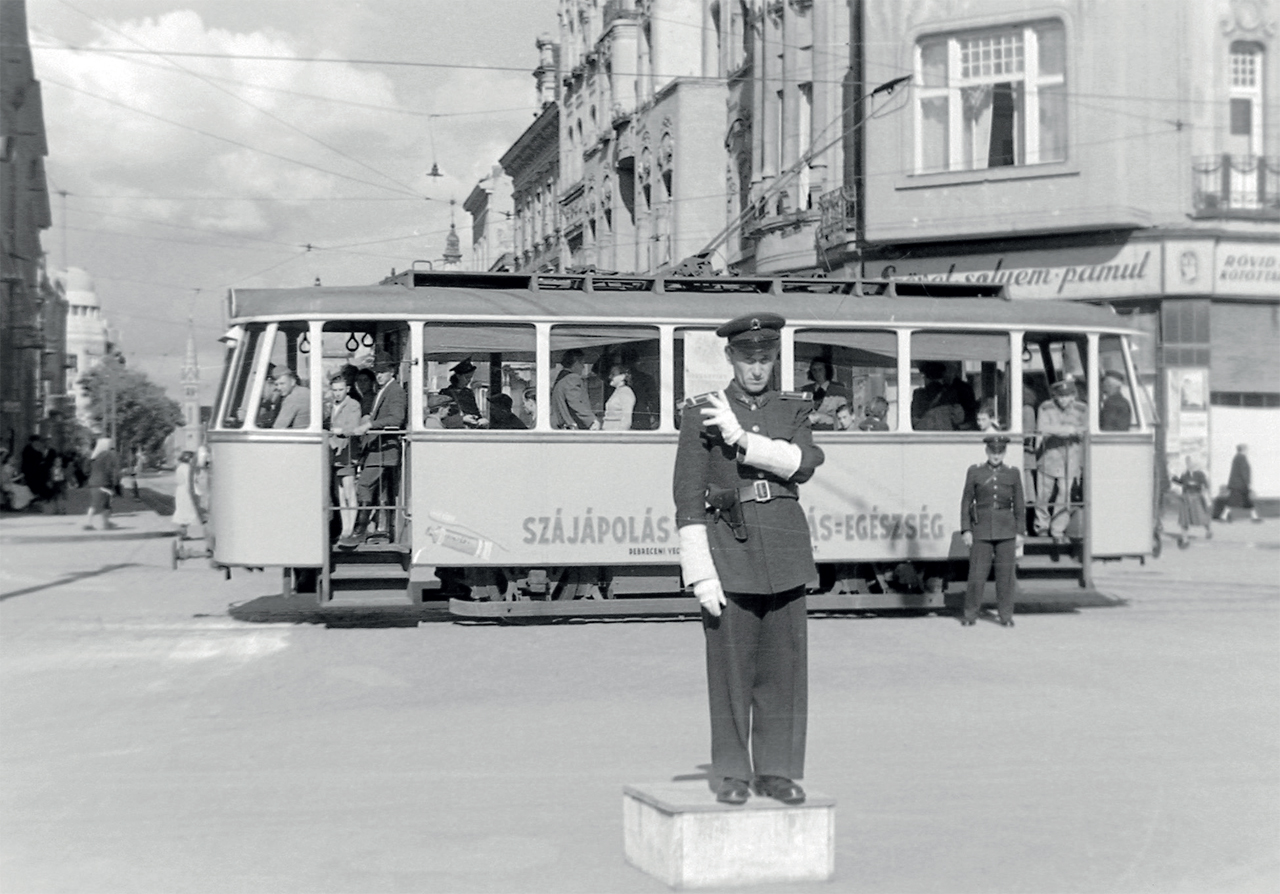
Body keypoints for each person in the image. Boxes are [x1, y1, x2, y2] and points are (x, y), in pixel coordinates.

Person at [673, 311, 824, 807]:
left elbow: (802, 466)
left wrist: (741, 440)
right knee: (731, 672)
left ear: (775, 358)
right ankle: (733, 772)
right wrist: (699, 574)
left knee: (784, 672)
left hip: (784, 549)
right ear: (730, 358)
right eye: (747, 358)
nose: (756, 369)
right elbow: (688, 498)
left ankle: (777, 771)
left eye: (765, 359)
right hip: (728, 549)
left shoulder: (793, 409)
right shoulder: (702, 411)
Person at [960, 435, 1025, 626]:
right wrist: (966, 529)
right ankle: (970, 614)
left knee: (1005, 577)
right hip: (981, 529)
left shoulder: (1013, 473)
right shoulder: (975, 472)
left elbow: (1019, 504)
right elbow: (966, 501)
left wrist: (1020, 531)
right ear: (986, 451)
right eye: (993, 451)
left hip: (1006, 530)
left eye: (1000, 452)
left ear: (1004, 453)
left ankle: (1006, 616)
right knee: (977, 576)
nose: (996, 456)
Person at [354, 354, 407, 542]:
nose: (379, 375)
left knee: (364, 484)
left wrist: (370, 424)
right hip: (377, 449)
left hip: (384, 451)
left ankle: (359, 530)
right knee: (371, 488)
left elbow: (396, 418)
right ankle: (369, 528)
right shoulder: (384, 390)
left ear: (391, 371)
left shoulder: (395, 391)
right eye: (377, 372)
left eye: (382, 372)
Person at [1035, 379, 1086, 542]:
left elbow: (1085, 429)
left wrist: (1071, 431)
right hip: (1049, 457)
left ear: (1073, 396)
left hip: (1070, 459)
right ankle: (1041, 526)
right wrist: (1067, 431)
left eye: (1067, 396)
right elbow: (1043, 428)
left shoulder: (1082, 409)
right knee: (1043, 494)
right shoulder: (1045, 407)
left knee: (1065, 494)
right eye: (1060, 396)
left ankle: (1057, 529)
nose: (1063, 400)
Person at [327, 375, 366, 548]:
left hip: (347, 453)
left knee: (349, 492)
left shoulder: (353, 405)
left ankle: (349, 528)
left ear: (347, 389)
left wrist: (340, 430)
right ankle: (345, 528)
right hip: (334, 453)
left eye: (340, 390)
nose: (337, 393)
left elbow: (355, 428)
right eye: (334, 390)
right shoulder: (330, 406)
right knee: (340, 494)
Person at [550, 349, 600, 430]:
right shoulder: (572, 378)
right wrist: (592, 420)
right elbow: (575, 402)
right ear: (576, 363)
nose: (583, 367)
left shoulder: (560, 379)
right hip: (572, 427)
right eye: (582, 363)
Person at [911, 361, 965, 431]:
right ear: (942, 376)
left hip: (923, 436)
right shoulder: (950, 393)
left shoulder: (918, 394)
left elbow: (914, 418)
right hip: (945, 436)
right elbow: (959, 418)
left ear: (926, 377)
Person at [1171, 457, 1212, 546]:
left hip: (1196, 497)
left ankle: (1208, 530)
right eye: (1187, 463)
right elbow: (1181, 482)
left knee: (1201, 517)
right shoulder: (1185, 474)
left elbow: (1206, 485)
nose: (1188, 464)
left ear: (1194, 464)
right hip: (1186, 498)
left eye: (1190, 462)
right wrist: (1174, 478)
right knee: (1184, 519)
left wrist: (1205, 494)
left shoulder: (1200, 474)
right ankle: (1185, 539)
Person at [84, 437, 120, 530]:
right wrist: (115, 481)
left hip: (93, 483)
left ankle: (89, 523)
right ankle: (106, 523)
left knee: (94, 504)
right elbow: (111, 469)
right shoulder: (108, 455)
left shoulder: (94, 456)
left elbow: (86, 470)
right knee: (106, 504)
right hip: (104, 482)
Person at [1220, 443, 1261, 523]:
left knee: (1247, 501)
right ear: (1244, 449)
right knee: (1233, 501)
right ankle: (1223, 516)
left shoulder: (1237, 457)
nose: (1247, 451)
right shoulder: (1242, 458)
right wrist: (1248, 483)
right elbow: (1244, 472)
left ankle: (1254, 517)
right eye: (1247, 449)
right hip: (1240, 485)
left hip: (1237, 484)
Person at [806, 358, 850, 430]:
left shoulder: (838, 391)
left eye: (820, 369)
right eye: (814, 370)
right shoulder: (806, 390)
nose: (817, 373)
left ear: (827, 370)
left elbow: (845, 417)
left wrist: (823, 418)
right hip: (809, 434)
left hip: (830, 434)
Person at [443, 358, 485, 427]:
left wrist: (480, 419)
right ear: (458, 376)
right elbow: (442, 418)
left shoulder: (468, 393)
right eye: (467, 377)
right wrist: (462, 419)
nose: (469, 381)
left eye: (470, 378)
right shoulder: (446, 392)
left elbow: (475, 411)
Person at [171, 450, 203, 538]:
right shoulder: (186, 468)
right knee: (188, 510)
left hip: (181, 491)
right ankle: (182, 532)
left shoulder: (181, 467)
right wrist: (196, 492)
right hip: (187, 492)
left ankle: (182, 532)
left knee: (184, 511)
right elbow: (190, 481)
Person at [602, 365, 636, 431]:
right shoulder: (617, 391)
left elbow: (626, 419)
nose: (610, 377)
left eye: (613, 374)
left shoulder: (626, 392)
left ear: (622, 376)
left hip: (616, 432)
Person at [21, 435, 51, 504]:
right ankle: (36, 498)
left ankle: (41, 497)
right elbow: (29, 461)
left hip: (37, 471)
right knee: (35, 484)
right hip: (30, 471)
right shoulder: (27, 449)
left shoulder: (37, 449)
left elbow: (41, 459)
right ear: (32, 441)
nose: (37, 443)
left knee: (41, 482)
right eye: (36, 441)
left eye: (38, 441)